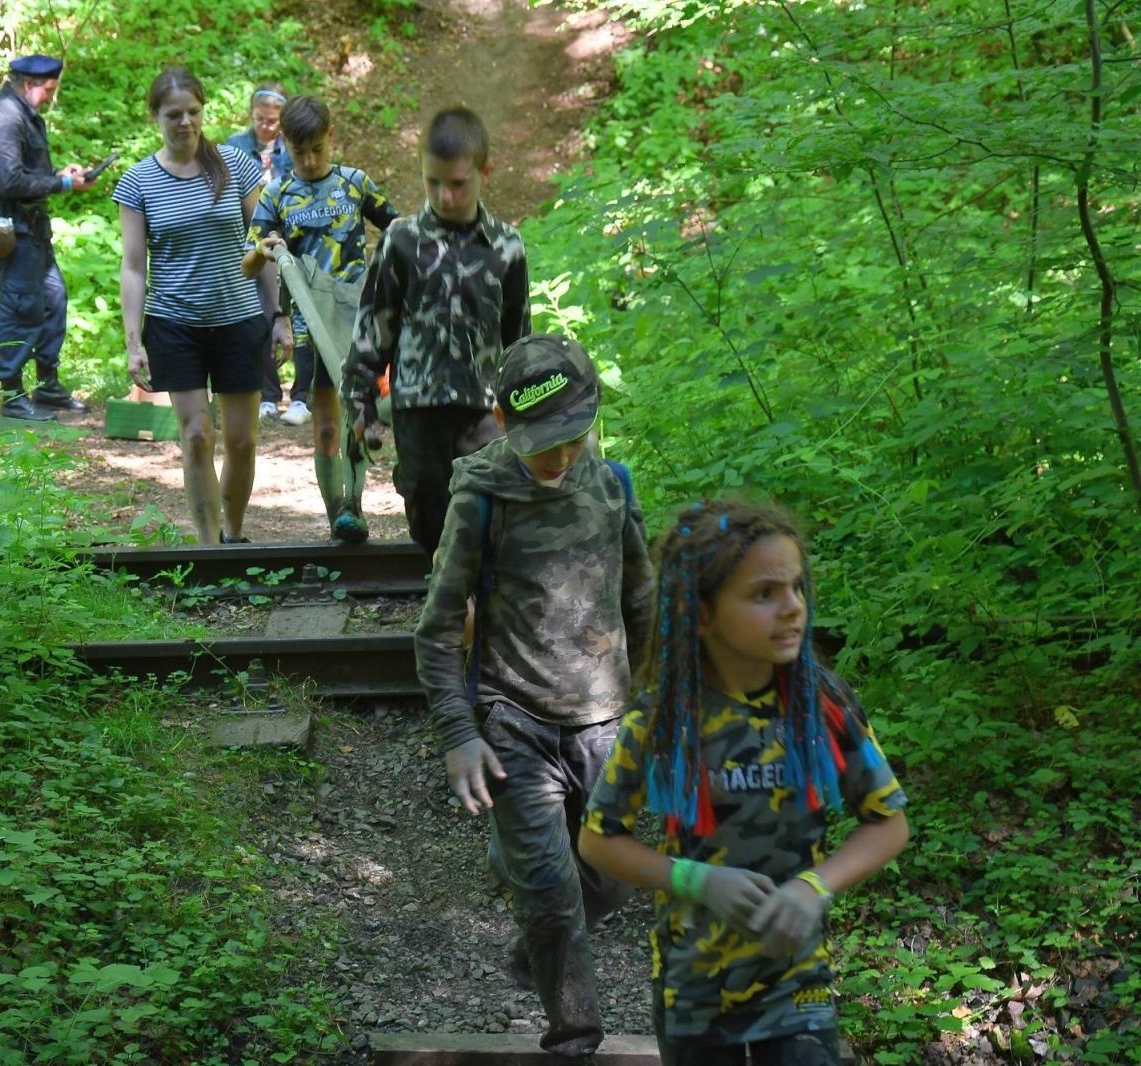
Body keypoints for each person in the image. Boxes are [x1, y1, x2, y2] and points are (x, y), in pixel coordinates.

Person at [578, 501, 911, 1065]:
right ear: (701, 614)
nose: (793, 609)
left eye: (798, 588)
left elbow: (888, 822)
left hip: (797, 981)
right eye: (764, 594)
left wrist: (814, 886)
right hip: (696, 986)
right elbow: (598, 839)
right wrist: (697, 881)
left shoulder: (818, 705)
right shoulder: (664, 717)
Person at [414, 334, 654, 1058]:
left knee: (613, 881)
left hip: (606, 721)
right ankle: (575, 1036)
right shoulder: (482, 498)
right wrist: (461, 733)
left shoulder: (612, 487)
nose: (556, 458)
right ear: (504, 420)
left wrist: (648, 698)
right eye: (541, 442)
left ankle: (533, 928)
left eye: (572, 439)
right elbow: (436, 628)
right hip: (516, 721)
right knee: (553, 895)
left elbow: (642, 596)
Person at [342, 106, 530, 560]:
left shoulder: (505, 248)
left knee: (486, 507)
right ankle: (441, 587)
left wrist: (524, 405)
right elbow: (375, 324)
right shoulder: (401, 242)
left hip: (481, 407)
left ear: (486, 172)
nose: (445, 196)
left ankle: (474, 601)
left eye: (458, 184)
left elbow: (519, 336)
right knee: (426, 506)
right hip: (417, 404)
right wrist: (360, 399)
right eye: (433, 183)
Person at [114, 67, 279, 544]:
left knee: (242, 441)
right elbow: (133, 266)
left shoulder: (237, 166)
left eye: (193, 112)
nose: (185, 122)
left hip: (239, 318)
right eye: (173, 114)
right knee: (197, 435)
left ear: (203, 112)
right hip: (174, 323)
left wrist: (280, 317)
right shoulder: (138, 182)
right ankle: (209, 548)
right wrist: (132, 342)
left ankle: (234, 533)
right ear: (156, 117)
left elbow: (265, 245)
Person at [242, 95, 399, 540]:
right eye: (299, 151)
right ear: (284, 145)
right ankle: (337, 517)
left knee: (359, 415)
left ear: (331, 137)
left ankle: (356, 504)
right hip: (312, 326)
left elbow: (398, 225)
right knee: (327, 423)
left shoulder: (354, 183)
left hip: (358, 321)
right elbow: (248, 264)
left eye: (317, 149)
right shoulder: (276, 195)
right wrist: (263, 249)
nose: (309, 161)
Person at [0, 54, 99, 420]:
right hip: (13, 227)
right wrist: (63, 184)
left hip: (33, 228)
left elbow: (25, 172)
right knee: (20, 306)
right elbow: (10, 181)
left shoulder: (20, 112)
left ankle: (48, 386)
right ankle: (12, 395)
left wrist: (60, 174)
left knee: (53, 299)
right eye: (48, 90)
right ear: (30, 84)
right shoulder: (5, 117)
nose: (49, 97)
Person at [224, 81, 297, 424]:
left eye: (272, 120)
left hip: (288, 240)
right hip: (250, 243)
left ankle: (301, 395)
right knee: (258, 313)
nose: (266, 126)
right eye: (259, 119)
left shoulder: (293, 148)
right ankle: (268, 393)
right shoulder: (235, 147)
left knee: (288, 312)